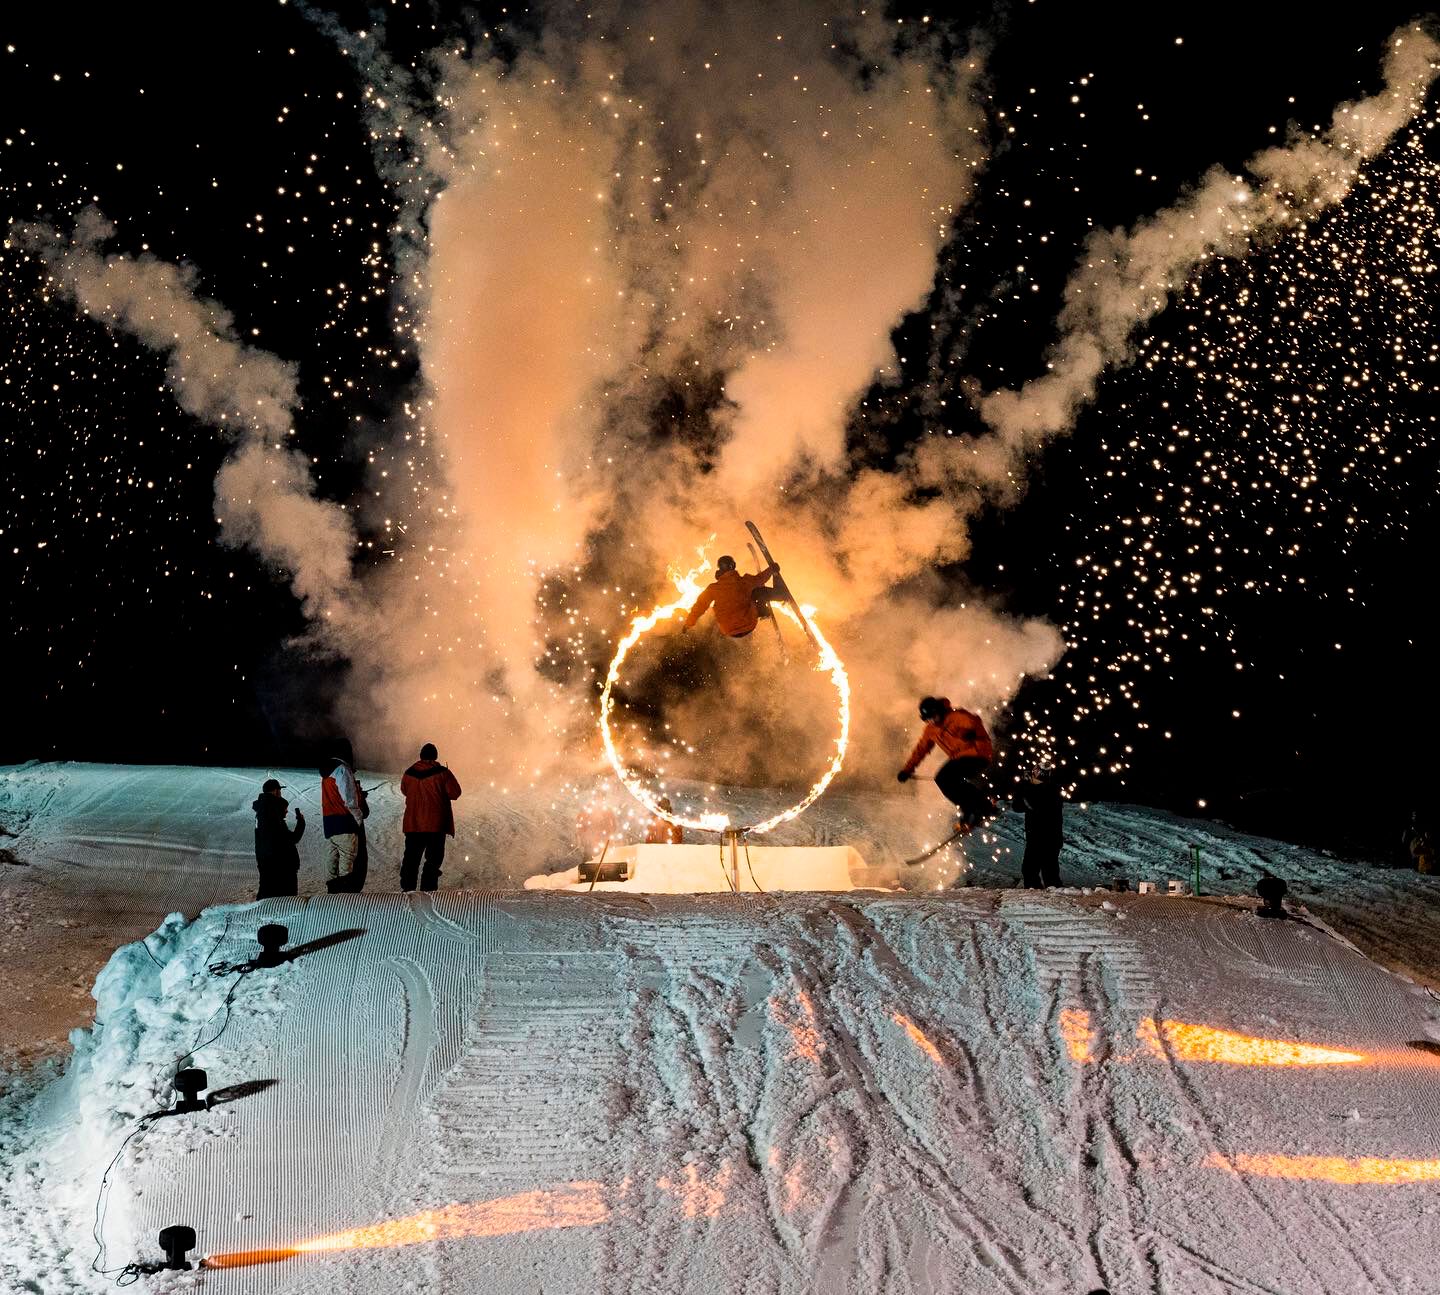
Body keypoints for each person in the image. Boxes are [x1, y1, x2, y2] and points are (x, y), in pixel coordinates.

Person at [896, 696, 996, 832]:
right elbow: (920, 750)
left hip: (978, 753)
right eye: (928, 719)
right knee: (947, 781)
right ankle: (977, 808)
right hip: (960, 757)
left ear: (940, 711)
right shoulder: (930, 729)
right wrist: (907, 770)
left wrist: (971, 732)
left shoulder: (955, 716)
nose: (932, 721)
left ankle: (976, 808)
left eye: (934, 717)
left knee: (945, 777)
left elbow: (974, 720)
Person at [399, 743, 463, 892]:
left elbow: (404, 790)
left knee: (411, 859)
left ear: (421, 755)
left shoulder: (409, 773)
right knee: (433, 861)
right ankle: (428, 890)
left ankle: (407, 890)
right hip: (435, 825)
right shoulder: (442, 773)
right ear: (435, 756)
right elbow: (455, 793)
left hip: (413, 824)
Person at [682, 555, 783, 639]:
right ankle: (779, 595)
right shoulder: (743, 582)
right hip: (749, 624)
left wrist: (688, 624)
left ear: (719, 570)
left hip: (729, 631)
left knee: (749, 595)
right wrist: (772, 569)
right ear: (733, 566)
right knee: (757, 592)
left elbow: (700, 606)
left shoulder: (713, 589)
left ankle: (764, 609)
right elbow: (760, 579)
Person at [319, 749, 368, 893]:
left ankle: (332, 893)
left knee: (332, 860)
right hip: (345, 822)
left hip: (329, 824)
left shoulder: (327, 772)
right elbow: (349, 798)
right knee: (348, 860)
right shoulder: (342, 769)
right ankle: (346, 895)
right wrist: (358, 819)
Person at [253, 778, 304, 899]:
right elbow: (291, 838)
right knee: (284, 900)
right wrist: (301, 823)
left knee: (266, 893)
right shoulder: (271, 810)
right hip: (280, 864)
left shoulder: (261, 810)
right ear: (276, 791)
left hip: (265, 860)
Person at [1012, 767, 1064, 888]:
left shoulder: (1049, 789)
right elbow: (1017, 806)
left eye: (1035, 772)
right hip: (1038, 837)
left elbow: (1032, 803)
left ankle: (1050, 898)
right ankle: (1038, 896)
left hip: (1046, 837)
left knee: (1047, 872)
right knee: (1032, 870)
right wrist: (1022, 788)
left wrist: (1024, 786)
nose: (1031, 774)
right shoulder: (1040, 789)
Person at [1403, 810, 1435, 875]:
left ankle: (1420, 867)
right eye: (1413, 815)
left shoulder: (1421, 824)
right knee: (1415, 853)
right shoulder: (1410, 825)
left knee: (1421, 854)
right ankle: (1416, 866)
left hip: (1420, 841)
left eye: (1415, 815)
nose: (1414, 817)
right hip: (1416, 841)